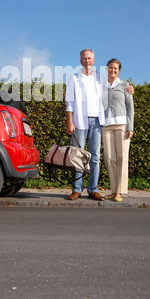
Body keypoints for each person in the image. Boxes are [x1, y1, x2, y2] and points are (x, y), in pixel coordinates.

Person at [65, 49, 105, 200]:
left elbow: (114, 89)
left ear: (94, 60)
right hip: (79, 121)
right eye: (84, 58)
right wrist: (69, 122)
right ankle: (77, 189)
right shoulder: (73, 78)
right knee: (78, 157)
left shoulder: (100, 78)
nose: (87, 61)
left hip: (97, 121)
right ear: (80, 60)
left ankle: (93, 189)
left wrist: (129, 88)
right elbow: (69, 102)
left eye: (89, 58)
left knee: (95, 157)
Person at [102, 58, 134, 202]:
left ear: (119, 70)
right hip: (106, 126)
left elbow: (130, 107)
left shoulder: (124, 85)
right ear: (107, 69)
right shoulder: (102, 85)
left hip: (122, 125)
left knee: (121, 158)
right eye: (110, 68)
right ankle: (113, 190)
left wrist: (130, 127)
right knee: (109, 158)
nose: (112, 70)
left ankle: (119, 192)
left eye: (115, 68)